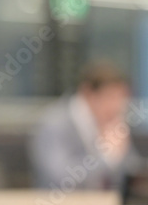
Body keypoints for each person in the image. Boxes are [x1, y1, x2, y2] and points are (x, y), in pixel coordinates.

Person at [29, 61, 142, 191]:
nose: (117, 106)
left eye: (122, 98)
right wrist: (106, 158)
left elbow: (133, 173)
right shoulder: (54, 123)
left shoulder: (113, 123)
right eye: (110, 97)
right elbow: (60, 179)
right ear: (88, 93)